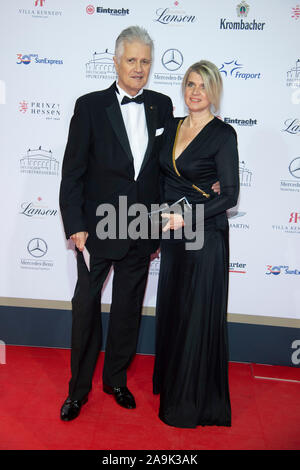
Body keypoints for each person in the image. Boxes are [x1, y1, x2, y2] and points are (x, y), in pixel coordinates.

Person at [59, 26, 174, 421]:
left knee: (128, 309)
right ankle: (78, 390)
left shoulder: (162, 105)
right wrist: (75, 225)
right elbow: (72, 172)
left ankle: (115, 380)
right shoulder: (90, 106)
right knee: (86, 308)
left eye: (145, 61)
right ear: (116, 61)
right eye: (131, 60)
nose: (138, 68)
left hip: (141, 228)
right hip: (95, 230)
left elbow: (162, 174)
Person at [153, 60, 240, 428]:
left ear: (214, 92)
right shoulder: (172, 126)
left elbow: (230, 195)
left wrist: (187, 218)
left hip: (204, 237)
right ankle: (173, 383)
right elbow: (159, 176)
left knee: (194, 316)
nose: (195, 92)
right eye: (190, 84)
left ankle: (190, 403)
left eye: (203, 86)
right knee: (173, 310)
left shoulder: (223, 134)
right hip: (172, 236)